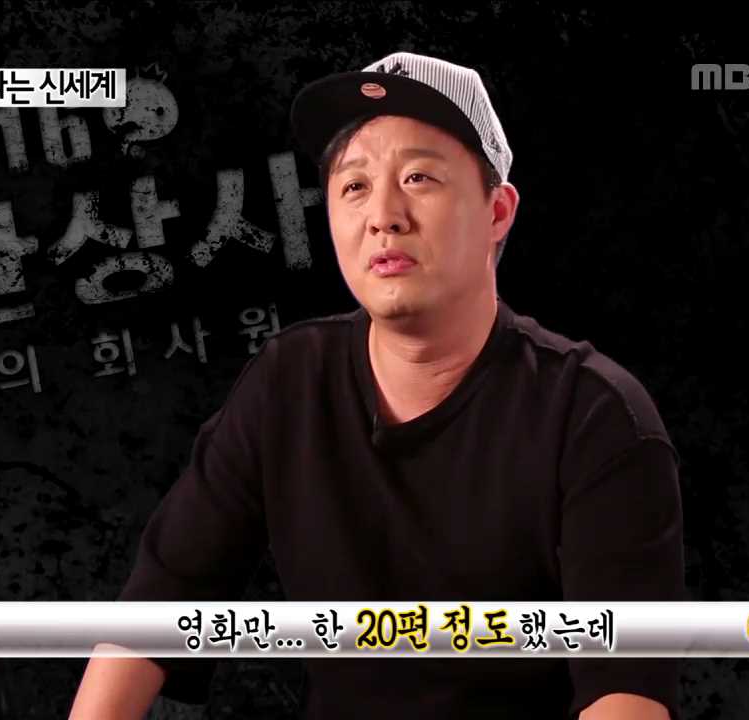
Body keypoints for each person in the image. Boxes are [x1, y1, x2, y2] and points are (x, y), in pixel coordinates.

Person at [69, 51, 685, 720]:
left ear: (498, 211)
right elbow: (159, 606)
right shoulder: (289, 382)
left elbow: (626, 693)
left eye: (419, 177)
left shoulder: (594, 416)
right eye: (354, 185)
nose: (383, 216)